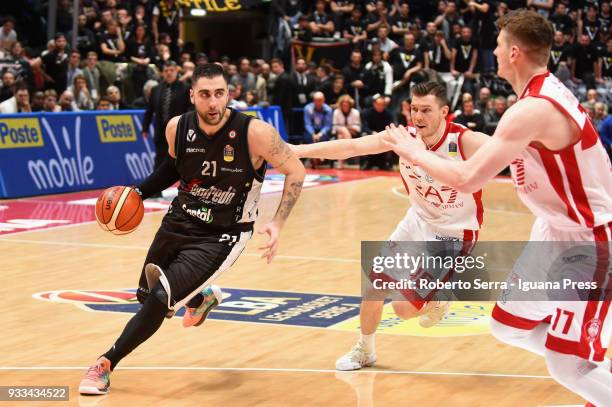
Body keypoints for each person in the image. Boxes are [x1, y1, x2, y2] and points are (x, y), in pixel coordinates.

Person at [382, 10, 612, 405]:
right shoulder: (538, 98)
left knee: (564, 365)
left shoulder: (534, 109)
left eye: (500, 45)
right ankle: (594, 367)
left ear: (515, 52)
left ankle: (588, 368)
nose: (494, 51)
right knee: (508, 327)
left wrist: (414, 152)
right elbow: (501, 153)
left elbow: (469, 178)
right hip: (552, 229)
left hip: (588, 238)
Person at [78, 63, 306, 395]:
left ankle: (104, 364)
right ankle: (200, 298)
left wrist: (278, 222)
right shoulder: (177, 128)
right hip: (180, 219)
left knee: (159, 299)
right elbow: (174, 165)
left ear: (229, 94)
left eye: (219, 94)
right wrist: (139, 192)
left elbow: (296, 171)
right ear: (192, 96)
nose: (212, 103)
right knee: (145, 296)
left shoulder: (255, 133)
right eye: (204, 95)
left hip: (223, 234)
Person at [291, 81, 488, 370]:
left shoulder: (464, 140)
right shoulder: (403, 136)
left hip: (454, 234)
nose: (418, 117)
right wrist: (297, 149)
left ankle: (438, 298)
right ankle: (365, 350)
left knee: (403, 309)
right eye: (414, 109)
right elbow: (351, 146)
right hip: (418, 219)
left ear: (444, 112)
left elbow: (509, 149)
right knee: (374, 284)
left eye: (426, 110)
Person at [142, 60, 191, 172]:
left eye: (171, 70)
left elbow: (191, 108)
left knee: (184, 161)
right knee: (159, 161)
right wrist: (145, 127)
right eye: (166, 70)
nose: (168, 73)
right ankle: (156, 189)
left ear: (177, 71)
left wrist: (186, 124)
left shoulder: (186, 88)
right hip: (161, 131)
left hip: (180, 131)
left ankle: (187, 187)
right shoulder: (156, 89)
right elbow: (149, 110)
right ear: (162, 73)